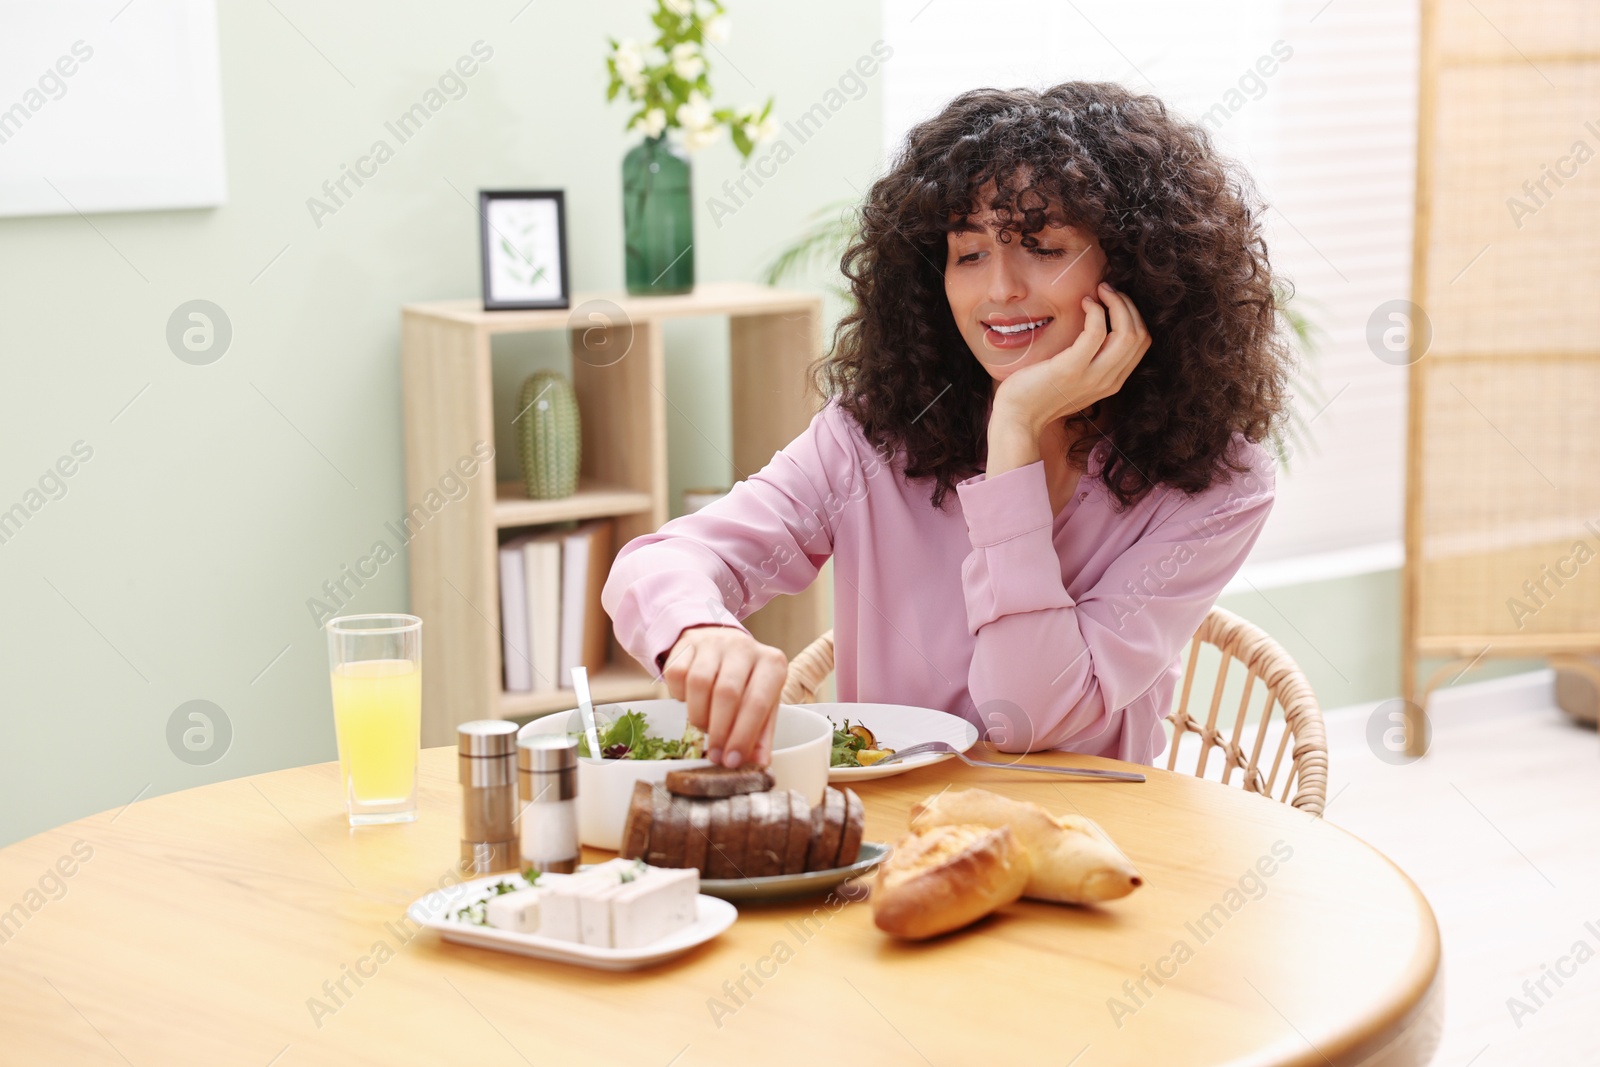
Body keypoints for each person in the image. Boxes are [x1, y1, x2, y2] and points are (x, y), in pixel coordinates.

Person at [601, 81, 1294, 770]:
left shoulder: (1213, 485)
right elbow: (657, 565)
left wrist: (1016, 430)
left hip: (1092, 847)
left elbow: (1023, 718)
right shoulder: (872, 439)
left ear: (1140, 271)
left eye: (1043, 248)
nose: (999, 290)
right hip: (889, 850)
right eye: (968, 254)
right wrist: (697, 631)